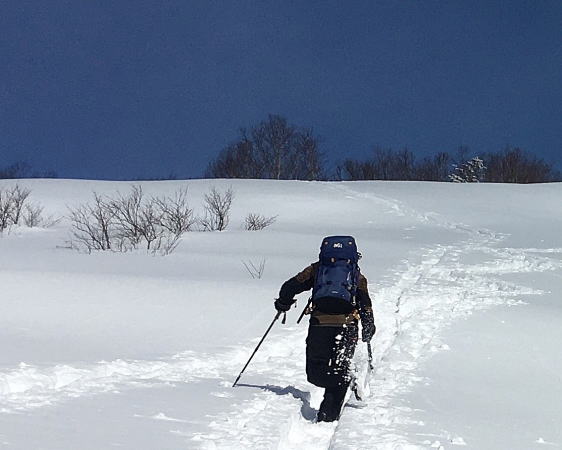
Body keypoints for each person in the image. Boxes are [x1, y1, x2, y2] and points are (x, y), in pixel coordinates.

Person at [274, 236, 376, 422]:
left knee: (315, 373)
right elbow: (366, 305)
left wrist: (283, 304)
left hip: (320, 326)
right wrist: (368, 327)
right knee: (340, 368)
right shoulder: (357, 276)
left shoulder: (316, 270)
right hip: (348, 327)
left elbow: (289, 287)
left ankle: (341, 386)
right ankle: (329, 413)